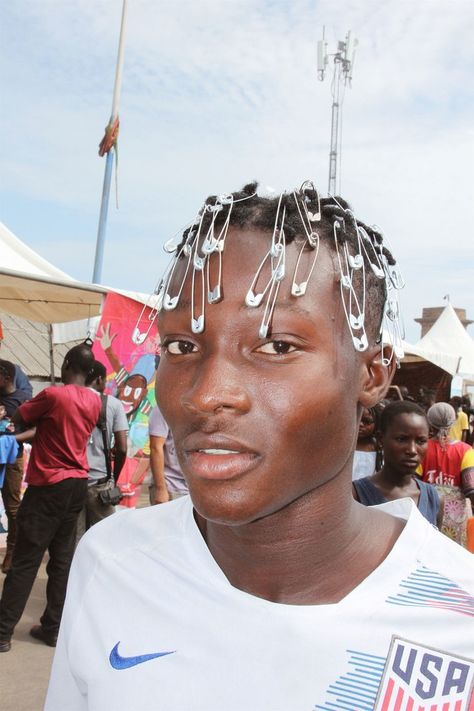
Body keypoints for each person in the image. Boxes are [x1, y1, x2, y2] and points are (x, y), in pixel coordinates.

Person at [46, 183, 473, 710]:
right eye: (182, 346)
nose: (205, 394)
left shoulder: (457, 618)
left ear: (372, 374)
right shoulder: (113, 563)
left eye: (277, 346)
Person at [0, 345, 101, 653]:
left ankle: (3, 632)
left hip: (48, 484)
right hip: (76, 483)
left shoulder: (55, 395)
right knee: (62, 560)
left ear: (67, 364)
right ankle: (52, 628)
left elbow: (19, 415)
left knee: (27, 560)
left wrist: (40, 423)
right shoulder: (95, 401)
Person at [353, 401, 442, 526]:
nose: (412, 450)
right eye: (402, 439)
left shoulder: (433, 498)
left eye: (421, 441)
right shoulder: (356, 495)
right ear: (380, 439)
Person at [75, 360, 128, 542]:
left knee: (75, 541)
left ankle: (77, 570)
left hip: (72, 482)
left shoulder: (69, 400)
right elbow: (121, 448)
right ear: (99, 380)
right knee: (106, 540)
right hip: (100, 484)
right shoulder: (112, 404)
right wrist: (114, 477)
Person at [421, 401, 474, 547]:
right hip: (456, 520)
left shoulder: (421, 448)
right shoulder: (466, 451)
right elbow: (471, 489)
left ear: (429, 423)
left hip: (427, 512)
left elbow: (413, 481)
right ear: (453, 422)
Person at [0, 359, 32, 574]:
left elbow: (36, 430)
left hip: (11, 459)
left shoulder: (24, 401)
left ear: (8, 378)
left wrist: (13, 440)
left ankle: (12, 552)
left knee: (12, 508)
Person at [148, 403, 188, 504]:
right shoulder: (163, 409)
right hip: (171, 487)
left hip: (192, 488)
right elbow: (155, 447)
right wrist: (160, 489)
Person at [351, 405, 382, 480]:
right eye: (357, 419)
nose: (360, 424)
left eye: (367, 421)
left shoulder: (380, 449)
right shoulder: (341, 446)